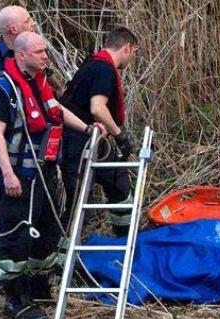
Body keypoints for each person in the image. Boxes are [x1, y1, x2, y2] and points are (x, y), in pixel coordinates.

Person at [0, 32, 106, 319]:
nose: (45, 56)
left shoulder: (40, 83)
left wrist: (87, 128)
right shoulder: (4, 88)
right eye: (39, 52)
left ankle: (39, 289)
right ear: (21, 54)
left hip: (45, 173)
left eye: (45, 52)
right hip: (19, 176)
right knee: (17, 236)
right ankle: (15, 299)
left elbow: (57, 111)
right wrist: (8, 174)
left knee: (47, 231)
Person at [59, 27, 139, 250]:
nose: (132, 59)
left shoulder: (92, 63)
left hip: (93, 138)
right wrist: (120, 135)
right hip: (81, 140)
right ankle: (63, 258)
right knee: (76, 199)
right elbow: (97, 108)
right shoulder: (104, 69)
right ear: (127, 48)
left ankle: (125, 239)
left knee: (118, 181)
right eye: (134, 53)